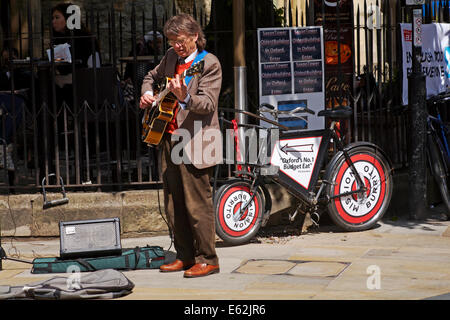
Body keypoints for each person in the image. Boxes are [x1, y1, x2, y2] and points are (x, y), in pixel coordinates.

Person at [140, 14, 222, 278]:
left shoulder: (208, 64)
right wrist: (147, 92)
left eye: (181, 40)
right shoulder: (170, 58)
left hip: (197, 141)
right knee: (174, 204)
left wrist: (185, 96)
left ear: (195, 36)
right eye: (173, 41)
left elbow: (208, 103)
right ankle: (185, 256)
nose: (177, 45)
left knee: (198, 204)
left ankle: (208, 259)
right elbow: (150, 76)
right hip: (170, 137)